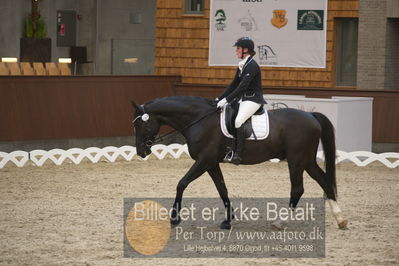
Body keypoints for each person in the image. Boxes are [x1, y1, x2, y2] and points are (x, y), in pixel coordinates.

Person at [216, 37, 266, 165]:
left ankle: (238, 153)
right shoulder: (242, 65)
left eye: (238, 49)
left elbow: (242, 87)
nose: (236, 51)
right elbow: (233, 85)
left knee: (238, 121)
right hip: (243, 99)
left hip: (253, 99)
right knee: (230, 115)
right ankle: (229, 149)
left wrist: (227, 99)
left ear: (245, 50)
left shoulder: (252, 66)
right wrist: (220, 98)